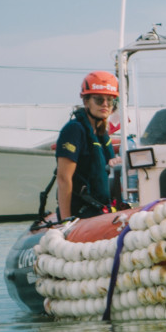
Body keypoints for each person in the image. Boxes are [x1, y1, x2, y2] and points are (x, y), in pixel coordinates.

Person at [55, 71, 122, 220]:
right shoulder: (74, 130)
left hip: (101, 211)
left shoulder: (101, 134)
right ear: (86, 101)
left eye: (110, 101)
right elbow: (63, 178)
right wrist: (66, 221)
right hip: (82, 213)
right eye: (99, 100)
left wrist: (114, 164)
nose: (105, 104)